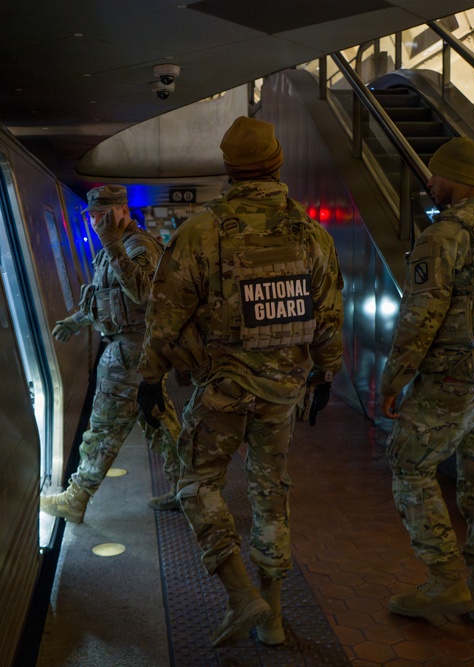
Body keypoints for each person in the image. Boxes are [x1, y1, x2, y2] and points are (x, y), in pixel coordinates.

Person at [137, 116, 345, 646]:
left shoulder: (201, 231)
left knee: (196, 482)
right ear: (277, 163)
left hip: (223, 388)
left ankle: (238, 594)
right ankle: (272, 618)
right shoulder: (311, 233)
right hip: (284, 394)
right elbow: (328, 315)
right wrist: (325, 377)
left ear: (228, 170)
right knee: (270, 492)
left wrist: (149, 378)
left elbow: (165, 317)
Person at [380, 137, 474, 625]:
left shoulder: (444, 233)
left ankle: (445, 580)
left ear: (455, 177)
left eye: (435, 174)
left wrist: (394, 379)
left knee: (408, 465)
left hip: (454, 376)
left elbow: (423, 314)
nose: (430, 181)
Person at [41, 184, 181, 523]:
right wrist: (77, 320)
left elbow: (142, 294)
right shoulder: (114, 247)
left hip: (129, 353)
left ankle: (76, 497)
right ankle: (188, 488)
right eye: (92, 217)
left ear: (122, 211)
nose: (96, 223)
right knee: (159, 422)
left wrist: (112, 243)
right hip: (133, 351)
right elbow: (106, 298)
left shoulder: (135, 246)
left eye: (104, 216)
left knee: (104, 427)